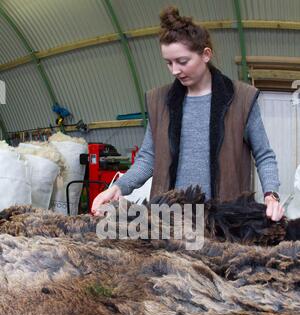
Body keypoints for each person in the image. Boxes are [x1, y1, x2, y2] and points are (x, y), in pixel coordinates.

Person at [92, 5, 284, 222]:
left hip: (224, 221)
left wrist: (271, 195)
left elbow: (264, 155)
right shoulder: (160, 102)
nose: (175, 70)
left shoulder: (241, 99)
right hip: (169, 220)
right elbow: (148, 157)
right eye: (169, 63)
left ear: (205, 55)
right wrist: (118, 187)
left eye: (182, 62)